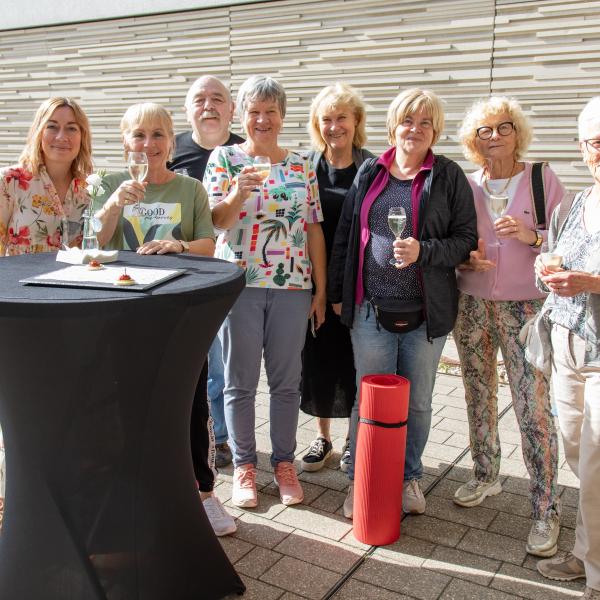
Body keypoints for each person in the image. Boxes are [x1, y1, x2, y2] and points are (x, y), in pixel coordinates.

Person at [328, 88, 477, 519]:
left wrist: (424, 252)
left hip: (425, 314)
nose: (415, 129)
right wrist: (338, 294)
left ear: (436, 131)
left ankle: (409, 477)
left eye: (425, 123)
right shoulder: (371, 170)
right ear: (394, 125)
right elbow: (346, 236)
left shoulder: (447, 175)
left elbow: (466, 240)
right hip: (372, 310)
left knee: (418, 402)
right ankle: (362, 477)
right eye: (408, 121)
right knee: (367, 399)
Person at [93, 102, 236, 537]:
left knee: (191, 403)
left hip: (179, 314)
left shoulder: (189, 188)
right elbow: (93, 240)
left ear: (171, 142)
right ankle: (131, 494)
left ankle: (206, 495)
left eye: (158, 135)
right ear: (125, 142)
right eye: (139, 135)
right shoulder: (109, 183)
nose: (149, 144)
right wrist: (116, 203)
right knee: (126, 405)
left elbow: (209, 246)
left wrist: (178, 247)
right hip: (124, 314)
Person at [204, 75, 327, 508]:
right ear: (242, 115)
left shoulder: (301, 165)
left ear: (282, 116)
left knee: (286, 382)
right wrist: (239, 190)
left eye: (270, 111)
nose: (262, 119)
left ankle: (284, 463)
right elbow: (216, 221)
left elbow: (312, 227)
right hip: (237, 285)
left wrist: (319, 288)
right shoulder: (223, 158)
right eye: (254, 111)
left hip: (293, 285)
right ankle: (243, 466)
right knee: (239, 382)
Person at [452, 96, 565, 557]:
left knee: (532, 405)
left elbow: (566, 241)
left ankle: (546, 505)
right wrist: (464, 257)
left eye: (503, 127)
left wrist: (532, 237)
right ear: (473, 140)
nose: (494, 136)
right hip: (472, 304)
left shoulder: (541, 179)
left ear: (518, 132)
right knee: (477, 391)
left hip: (526, 308)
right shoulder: (465, 185)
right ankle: (485, 474)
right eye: (484, 130)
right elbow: (453, 238)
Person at [0, 96, 93, 528]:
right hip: (17, 316)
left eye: (72, 127)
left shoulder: (87, 189)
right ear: (38, 131)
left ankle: (55, 504)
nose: (61, 135)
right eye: (52, 125)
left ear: (82, 136)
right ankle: (11, 505)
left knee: (60, 409)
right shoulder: (10, 183)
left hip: (68, 314)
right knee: (15, 413)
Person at [535, 97, 600, 600]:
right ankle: (587, 551)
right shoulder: (579, 201)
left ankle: (590, 567)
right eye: (595, 143)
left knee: (597, 461)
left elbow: (586, 277)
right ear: (582, 148)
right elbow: (557, 256)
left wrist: (590, 281)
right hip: (566, 341)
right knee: (579, 453)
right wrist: (546, 266)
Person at [170, 75, 245, 469]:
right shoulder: (172, 149)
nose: (208, 105)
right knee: (204, 363)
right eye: (199, 99)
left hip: (231, 275)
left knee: (226, 366)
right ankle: (211, 436)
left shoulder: (245, 152)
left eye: (218, 98)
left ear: (232, 109)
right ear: (188, 110)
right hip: (182, 275)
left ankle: (227, 439)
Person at [299, 83, 373, 473]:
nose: (334, 126)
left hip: (357, 283)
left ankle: (351, 441)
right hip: (312, 281)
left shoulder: (373, 167)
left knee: (354, 360)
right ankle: (322, 436)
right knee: (317, 359)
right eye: (326, 119)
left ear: (356, 121)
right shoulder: (306, 166)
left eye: (341, 117)